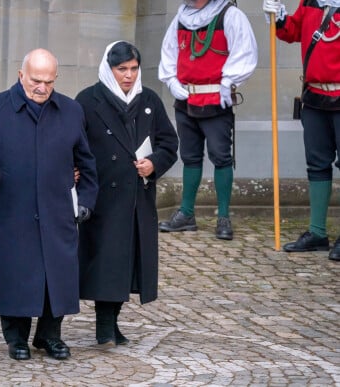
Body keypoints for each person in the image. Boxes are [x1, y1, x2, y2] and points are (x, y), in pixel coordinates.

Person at [0, 48, 99, 361]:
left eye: (49, 82)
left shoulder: (71, 110)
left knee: (57, 277)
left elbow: (86, 162)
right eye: (36, 80)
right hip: (13, 208)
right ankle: (16, 338)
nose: (42, 87)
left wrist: (87, 200)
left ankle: (50, 336)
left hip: (57, 209)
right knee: (16, 274)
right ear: (21, 75)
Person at [76, 41, 178, 346]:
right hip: (103, 197)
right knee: (106, 263)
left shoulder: (149, 100)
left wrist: (154, 163)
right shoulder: (87, 101)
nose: (129, 75)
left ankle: (110, 324)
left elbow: (169, 144)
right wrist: (74, 169)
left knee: (127, 264)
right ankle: (103, 325)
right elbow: (72, 142)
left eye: (134, 69)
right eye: (122, 69)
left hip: (136, 198)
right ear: (109, 69)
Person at [158, 0, 258, 240]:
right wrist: (171, 80)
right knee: (190, 156)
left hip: (216, 99)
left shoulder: (230, 16)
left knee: (221, 157)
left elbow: (244, 50)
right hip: (186, 100)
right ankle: (186, 214)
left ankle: (223, 216)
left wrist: (228, 82)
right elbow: (170, 51)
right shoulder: (181, 18)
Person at [263, 0, 340, 260]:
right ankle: (317, 232)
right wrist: (279, 17)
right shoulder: (310, 2)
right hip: (315, 97)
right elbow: (292, 32)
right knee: (317, 164)